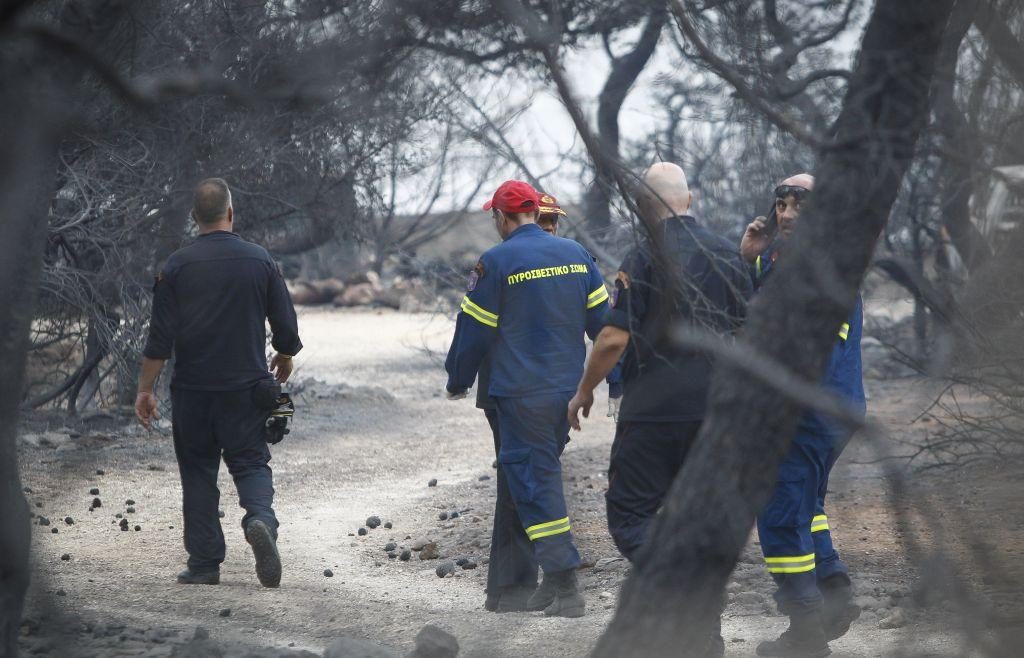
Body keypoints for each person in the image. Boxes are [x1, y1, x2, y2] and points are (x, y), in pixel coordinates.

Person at [568, 162, 751, 655]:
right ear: (688, 199)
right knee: (699, 518)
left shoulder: (646, 253)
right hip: (715, 410)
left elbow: (611, 338)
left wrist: (585, 390)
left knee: (630, 516)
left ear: (647, 204)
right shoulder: (726, 254)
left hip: (653, 412)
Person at [445, 180, 610, 618]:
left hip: (518, 396)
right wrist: (606, 381)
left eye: (494, 217)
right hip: (564, 396)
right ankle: (515, 590)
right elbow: (605, 326)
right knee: (523, 482)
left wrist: (456, 379)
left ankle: (565, 581)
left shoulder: (496, 261)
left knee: (533, 485)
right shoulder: (577, 255)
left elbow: (473, 331)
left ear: (501, 217)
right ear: (537, 212)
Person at [135, 178, 301, 589]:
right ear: (231, 212)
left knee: (197, 472)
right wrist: (284, 352)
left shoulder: (175, 266)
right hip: (246, 389)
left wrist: (144, 390)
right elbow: (285, 324)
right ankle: (260, 520)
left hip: (192, 392)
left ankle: (205, 564)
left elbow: (159, 340)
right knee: (249, 462)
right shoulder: (259, 261)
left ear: (194, 218)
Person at [740, 174, 865, 657]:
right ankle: (833, 591)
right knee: (806, 506)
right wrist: (752, 260)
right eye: (781, 204)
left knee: (779, 514)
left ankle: (806, 632)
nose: (786, 215)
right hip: (834, 407)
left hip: (803, 411)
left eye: (798, 206)